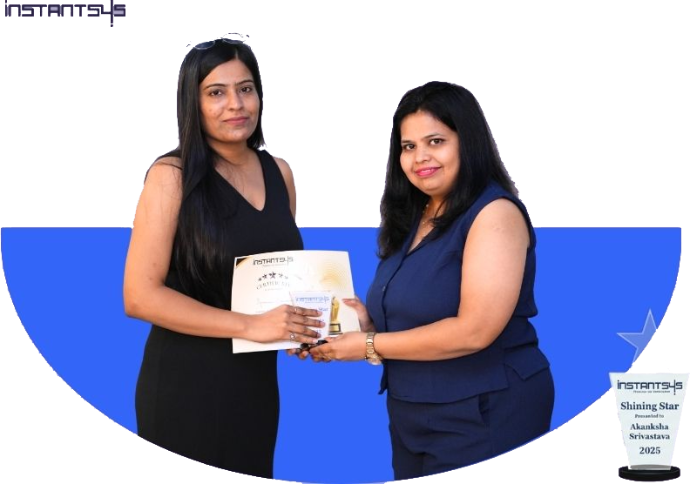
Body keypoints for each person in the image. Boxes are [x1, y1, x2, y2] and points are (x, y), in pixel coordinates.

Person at [310, 82, 555, 478]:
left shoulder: (494, 214)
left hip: (485, 407)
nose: (420, 157)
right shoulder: (414, 215)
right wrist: (366, 326)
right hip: (411, 411)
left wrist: (369, 345)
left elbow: (475, 331)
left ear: (467, 143)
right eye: (408, 146)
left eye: (436, 141)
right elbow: (419, 311)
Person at [122, 37, 323, 477]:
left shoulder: (280, 172)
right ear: (193, 103)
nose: (236, 104)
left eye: (246, 89)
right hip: (185, 385)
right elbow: (139, 296)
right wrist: (250, 326)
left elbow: (283, 277)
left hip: (256, 384)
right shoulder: (170, 176)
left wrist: (309, 326)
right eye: (217, 92)